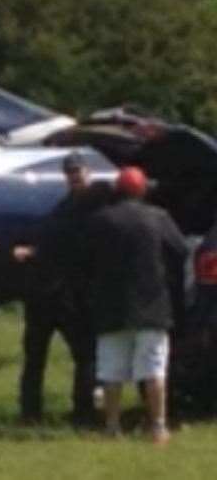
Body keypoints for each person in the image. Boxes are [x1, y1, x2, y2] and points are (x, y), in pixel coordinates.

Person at [85, 166, 187, 444]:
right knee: (153, 369)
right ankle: (157, 426)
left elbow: (85, 259)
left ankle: (112, 426)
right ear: (143, 190)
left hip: (111, 306)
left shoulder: (101, 220)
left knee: (111, 371)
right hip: (152, 304)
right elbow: (180, 250)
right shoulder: (158, 218)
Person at [13, 152, 101, 426]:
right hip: (59, 293)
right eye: (71, 172)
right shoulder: (72, 210)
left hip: (57, 291)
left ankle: (73, 408)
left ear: (88, 172)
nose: (75, 176)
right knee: (71, 354)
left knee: (76, 355)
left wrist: (34, 253)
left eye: (78, 172)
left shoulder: (74, 209)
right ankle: (39, 411)